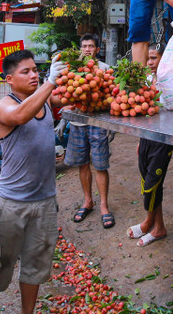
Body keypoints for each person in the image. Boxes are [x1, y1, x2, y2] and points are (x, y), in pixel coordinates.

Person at [0, 50, 67, 314]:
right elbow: (19, 116)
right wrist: (50, 81)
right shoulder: (3, 106)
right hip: (11, 203)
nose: (33, 75)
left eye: (35, 70)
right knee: (0, 264)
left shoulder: (46, 99)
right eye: (25, 71)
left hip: (45, 201)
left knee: (36, 265)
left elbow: (78, 96)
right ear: (9, 79)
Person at [64, 34, 113, 229]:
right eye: (83, 46)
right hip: (77, 123)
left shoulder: (105, 70)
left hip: (97, 124)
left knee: (101, 166)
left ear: (97, 49)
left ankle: (104, 206)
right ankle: (87, 201)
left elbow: (111, 98)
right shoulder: (72, 70)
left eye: (90, 46)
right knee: (82, 164)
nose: (86, 49)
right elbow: (65, 95)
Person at [127, 43, 172, 247]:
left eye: (154, 58)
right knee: (147, 178)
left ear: (163, 59)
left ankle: (148, 222)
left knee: (152, 182)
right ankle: (158, 226)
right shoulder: (145, 81)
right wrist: (140, 138)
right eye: (147, 59)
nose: (150, 62)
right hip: (147, 137)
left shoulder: (170, 81)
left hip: (163, 138)